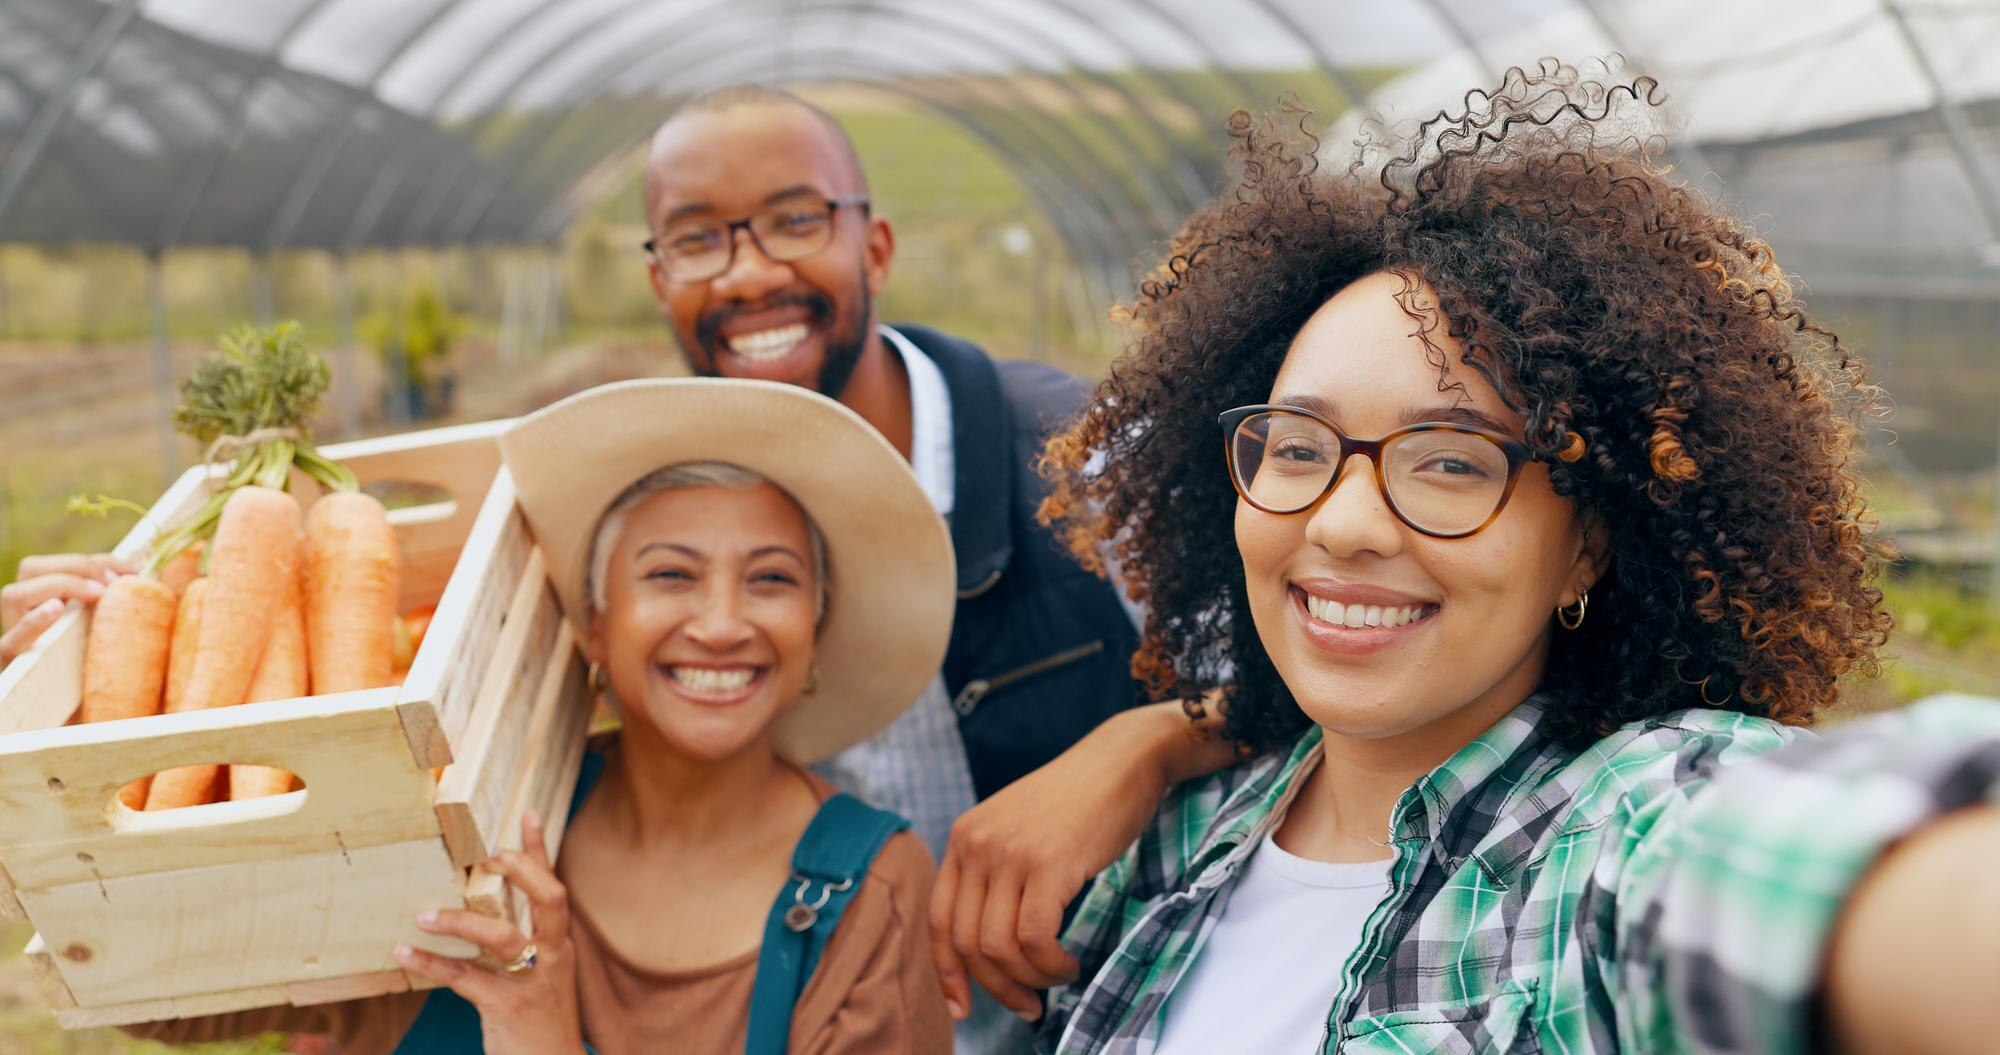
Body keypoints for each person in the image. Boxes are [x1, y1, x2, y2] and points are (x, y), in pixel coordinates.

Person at [936, 65, 2000, 1053]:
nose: (1345, 522)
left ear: (1585, 544)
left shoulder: (1606, 839)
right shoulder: (1157, 856)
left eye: (1448, 461)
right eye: (1298, 447)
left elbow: (1818, 869)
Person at [125, 378, 957, 1053]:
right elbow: (153, 991)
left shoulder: (870, 892)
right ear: (594, 622)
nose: (720, 621)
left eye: (771, 579)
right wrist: (98, 642)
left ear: (815, 632)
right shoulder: (462, 820)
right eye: (670, 574)